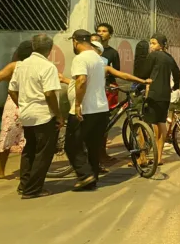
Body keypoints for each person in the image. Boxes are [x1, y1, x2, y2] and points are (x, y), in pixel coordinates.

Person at [60, 40, 150, 174]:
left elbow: (122, 75)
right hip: (89, 106)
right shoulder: (92, 63)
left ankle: (88, 173)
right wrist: (142, 81)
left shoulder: (93, 63)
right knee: (88, 141)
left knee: (90, 141)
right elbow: (79, 83)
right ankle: (89, 172)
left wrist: (142, 81)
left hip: (89, 106)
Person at [8, 34, 64, 199]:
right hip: (43, 115)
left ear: (33, 46)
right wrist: (59, 115)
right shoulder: (48, 67)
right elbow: (49, 93)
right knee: (43, 153)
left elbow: (11, 90)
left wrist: (22, 104)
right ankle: (33, 189)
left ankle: (24, 185)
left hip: (26, 114)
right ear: (50, 49)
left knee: (29, 150)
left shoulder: (21, 65)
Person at [64, 29, 108, 191]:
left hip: (85, 110)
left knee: (71, 145)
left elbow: (81, 81)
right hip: (101, 109)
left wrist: (77, 105)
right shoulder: (97, 58)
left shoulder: (81, 58)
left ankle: (84, 175)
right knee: (93, 146)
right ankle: (92, 178)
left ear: (75, 41)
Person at [0, 41, 32, 179]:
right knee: (28, 137)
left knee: (7, 134)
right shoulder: (37, 66)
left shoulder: (15, 65)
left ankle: (1, 169)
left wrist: (10, 77)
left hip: (13, 104)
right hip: (30, 103)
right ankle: (26, 170)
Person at [140, 34, 180, 166]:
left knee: (145, 124)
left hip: (153, 93)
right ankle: (159, 158)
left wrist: (139, 82)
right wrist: (176, 87)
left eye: (153, 43)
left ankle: (142, 158)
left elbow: (144, 73)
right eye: (150, 43)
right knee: (161, 123)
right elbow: (177, 73)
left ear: (161, 45)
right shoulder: (169, 58)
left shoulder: (153, 56)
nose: (151, 46)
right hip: (165, 94)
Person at [96, 24, 120, 165]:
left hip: (106, 91)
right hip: (93, 90)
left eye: (104, 31)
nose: (101, 33)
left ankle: (102, 152)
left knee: (105, 122)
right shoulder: (89, 52)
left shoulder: (112, 53)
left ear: (110, 35)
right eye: (99, 31)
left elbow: (116, 72)